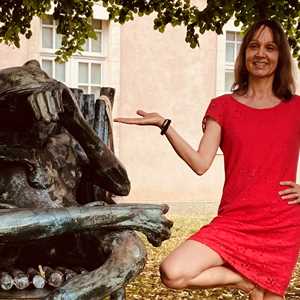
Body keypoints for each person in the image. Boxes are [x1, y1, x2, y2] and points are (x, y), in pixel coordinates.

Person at [114, 19, 300, 300]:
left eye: (270, 47)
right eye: (254, 46)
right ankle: (248, 280)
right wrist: (165, 126)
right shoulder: (223, 106)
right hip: (234, 220)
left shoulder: (295, 108)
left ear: (280, 56)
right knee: (173, 272)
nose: (261, 54)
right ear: (244, 53)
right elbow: (201, 163)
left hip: (280, 222)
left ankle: (258, 281)